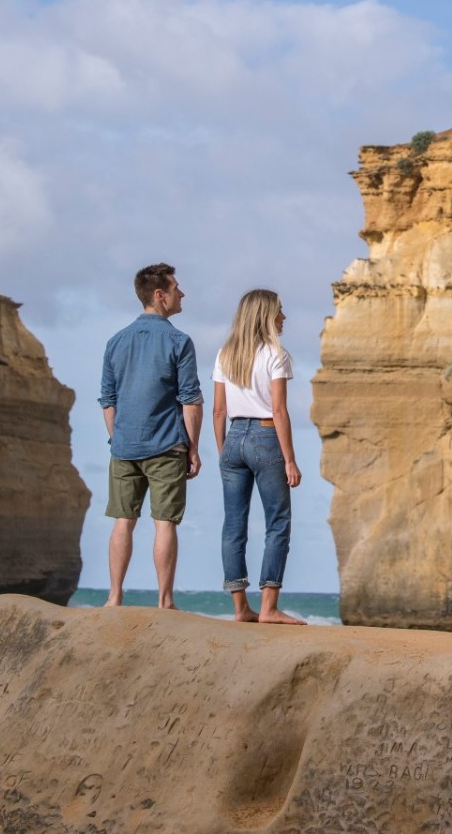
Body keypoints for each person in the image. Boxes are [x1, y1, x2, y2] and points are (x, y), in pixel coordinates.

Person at [98, 263, 202, 610]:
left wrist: (118, 438)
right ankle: (165, 600)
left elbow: (108, 401)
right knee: (164, 523)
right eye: (176, 288)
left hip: (124, 446)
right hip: (166, 445)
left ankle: (114, 596)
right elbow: (190, 400)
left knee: (122, 522)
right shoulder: (178, 341)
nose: (181, 294)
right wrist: (194, 448)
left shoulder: (116, 341)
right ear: (160, 296)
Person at [213, 288, 306, 625]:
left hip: (233, 438)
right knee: (277, 523)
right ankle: (268, 608)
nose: (284, 317)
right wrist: (291, 459)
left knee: (233, 526)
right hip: (267, 436)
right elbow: (280, 411)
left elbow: (219, 410)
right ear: (266, 315)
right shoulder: (275, 355)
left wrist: (224, 448)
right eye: (280, 311)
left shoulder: (225, 354)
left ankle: (241, 609)